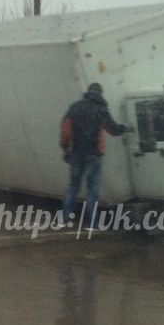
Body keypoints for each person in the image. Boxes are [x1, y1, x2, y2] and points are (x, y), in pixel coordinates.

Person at [60, 82, 134, 224]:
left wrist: (65, 147)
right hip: (94, 154)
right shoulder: (101, 110)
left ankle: (65, 218)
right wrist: (126, 128)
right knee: (92, 189)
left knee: (73, 186)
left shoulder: (75, 108)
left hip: (77, 153)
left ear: (88, 92)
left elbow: (65, 130)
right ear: (100, 93)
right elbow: (113, 129)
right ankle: (92, 222)